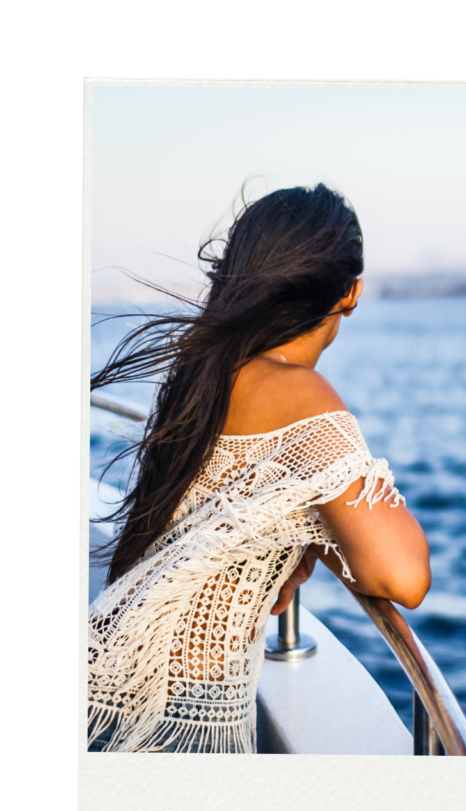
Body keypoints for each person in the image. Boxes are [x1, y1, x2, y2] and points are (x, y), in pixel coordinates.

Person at [88, 183, 431, 753]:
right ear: (352, 293)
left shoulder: (203, 374)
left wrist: (309, 528)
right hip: (183, 712)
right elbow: (403, 577)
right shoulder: (301, 394)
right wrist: (322, 534)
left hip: (112, 668)